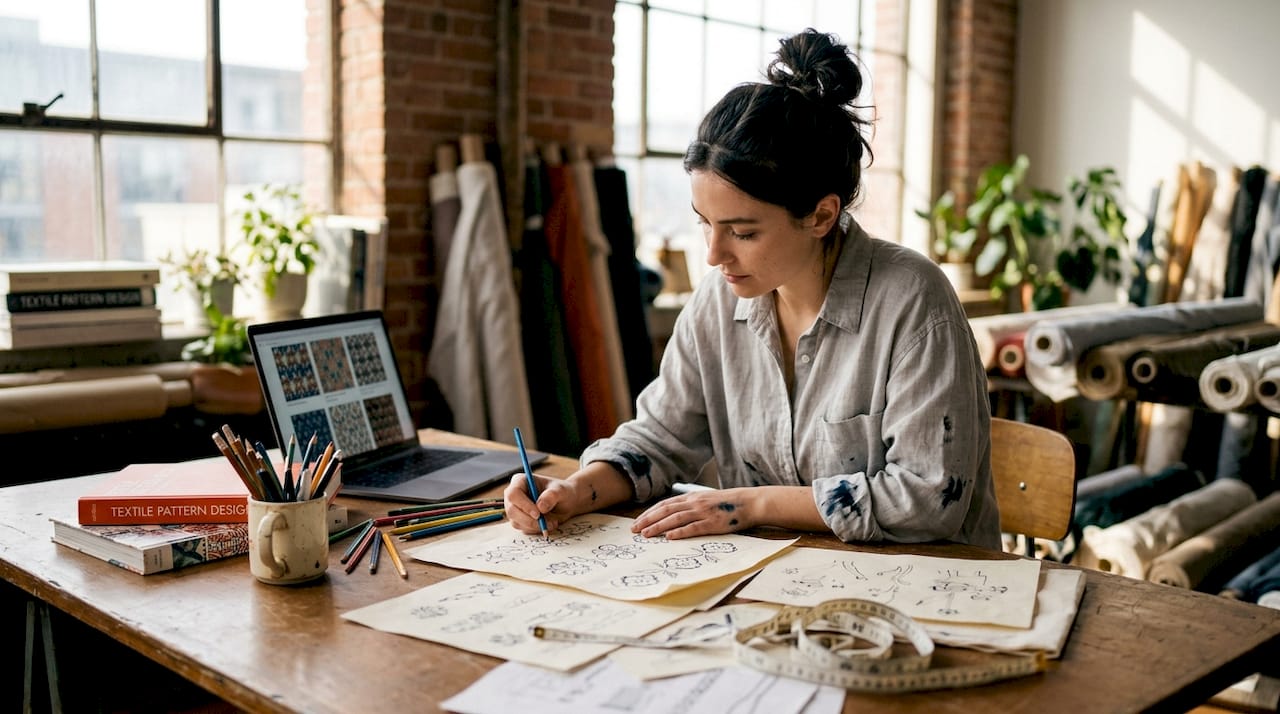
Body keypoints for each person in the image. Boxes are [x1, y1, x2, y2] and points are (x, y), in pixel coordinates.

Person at [505, 28, 1001, 549]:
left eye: (742, 232)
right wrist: (574, 491)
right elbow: (660, 437)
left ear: (821, 215)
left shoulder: (913, 302)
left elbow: (926, 500)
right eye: (704, 223)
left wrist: (749, 503)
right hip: (770, 583)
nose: (714, 255)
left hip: (929, 590)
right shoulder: (719, 300)